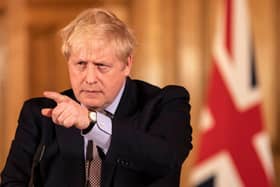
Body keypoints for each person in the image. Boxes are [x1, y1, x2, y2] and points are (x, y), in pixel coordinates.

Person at [0, 8, 192, 187]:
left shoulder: (165, 104)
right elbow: (11, 182)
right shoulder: (40, 114)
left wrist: (91, 123)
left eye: (101, 66)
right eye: (81, 64)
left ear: (127, 64)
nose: (90, 79)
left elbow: (166, 160)